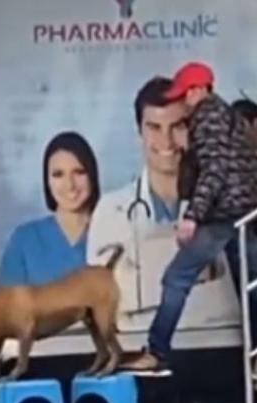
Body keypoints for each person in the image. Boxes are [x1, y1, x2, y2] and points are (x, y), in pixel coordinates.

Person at [121, 62, 257, 375]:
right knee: (249, 284)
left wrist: (192, 217)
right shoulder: (226, 115)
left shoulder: (208, 115)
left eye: (183, 95)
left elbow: (214, 170)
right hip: (243, 215)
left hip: (222, 216)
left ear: (197, 90)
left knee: (176, 279)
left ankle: (156, 353)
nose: (181, 103)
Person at [87, 77, 233, 333]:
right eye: (154, 127)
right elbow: (106, 308)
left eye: (177, 126)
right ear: (139, 133)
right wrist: (204, 285)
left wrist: (141, 290)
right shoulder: (110, 212)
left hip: (218, 350)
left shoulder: (229, 203)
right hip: (135, 352)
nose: (166, 141)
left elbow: (230, 304)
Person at [0, 132, 101, 287]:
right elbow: (8, 306)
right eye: (58, 174)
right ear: (47, 182)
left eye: (79, 172)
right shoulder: (24, 240)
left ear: (92, 176)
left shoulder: (112, 232)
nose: (70, 185)